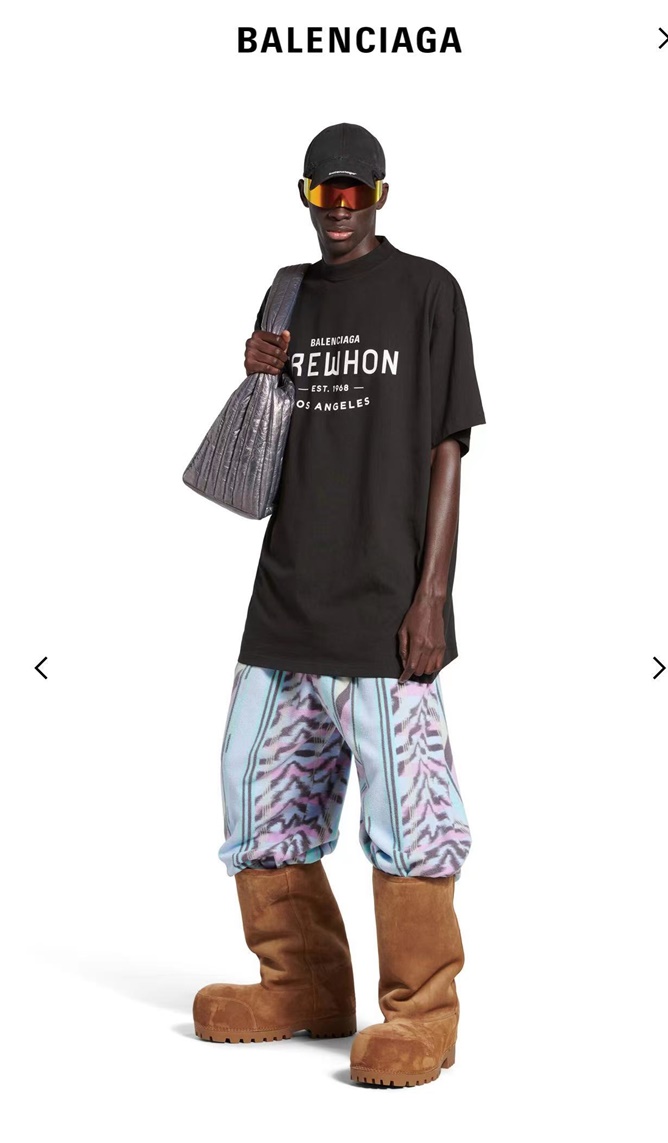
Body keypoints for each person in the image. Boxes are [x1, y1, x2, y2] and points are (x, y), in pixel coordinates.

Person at [192, 123, 486, 1087]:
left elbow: (449, 445)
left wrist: (432, 596)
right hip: (286, 595)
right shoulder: (288, 292)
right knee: (253, 790)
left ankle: (422, 1014)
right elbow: (268, 446)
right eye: (327, 193)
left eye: (358, 192)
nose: (342, 209)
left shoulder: (429, 292)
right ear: (307, 196)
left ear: (382, 196)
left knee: (410, 808)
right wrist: (258, 374)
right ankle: (304, 986)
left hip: (385, 603)